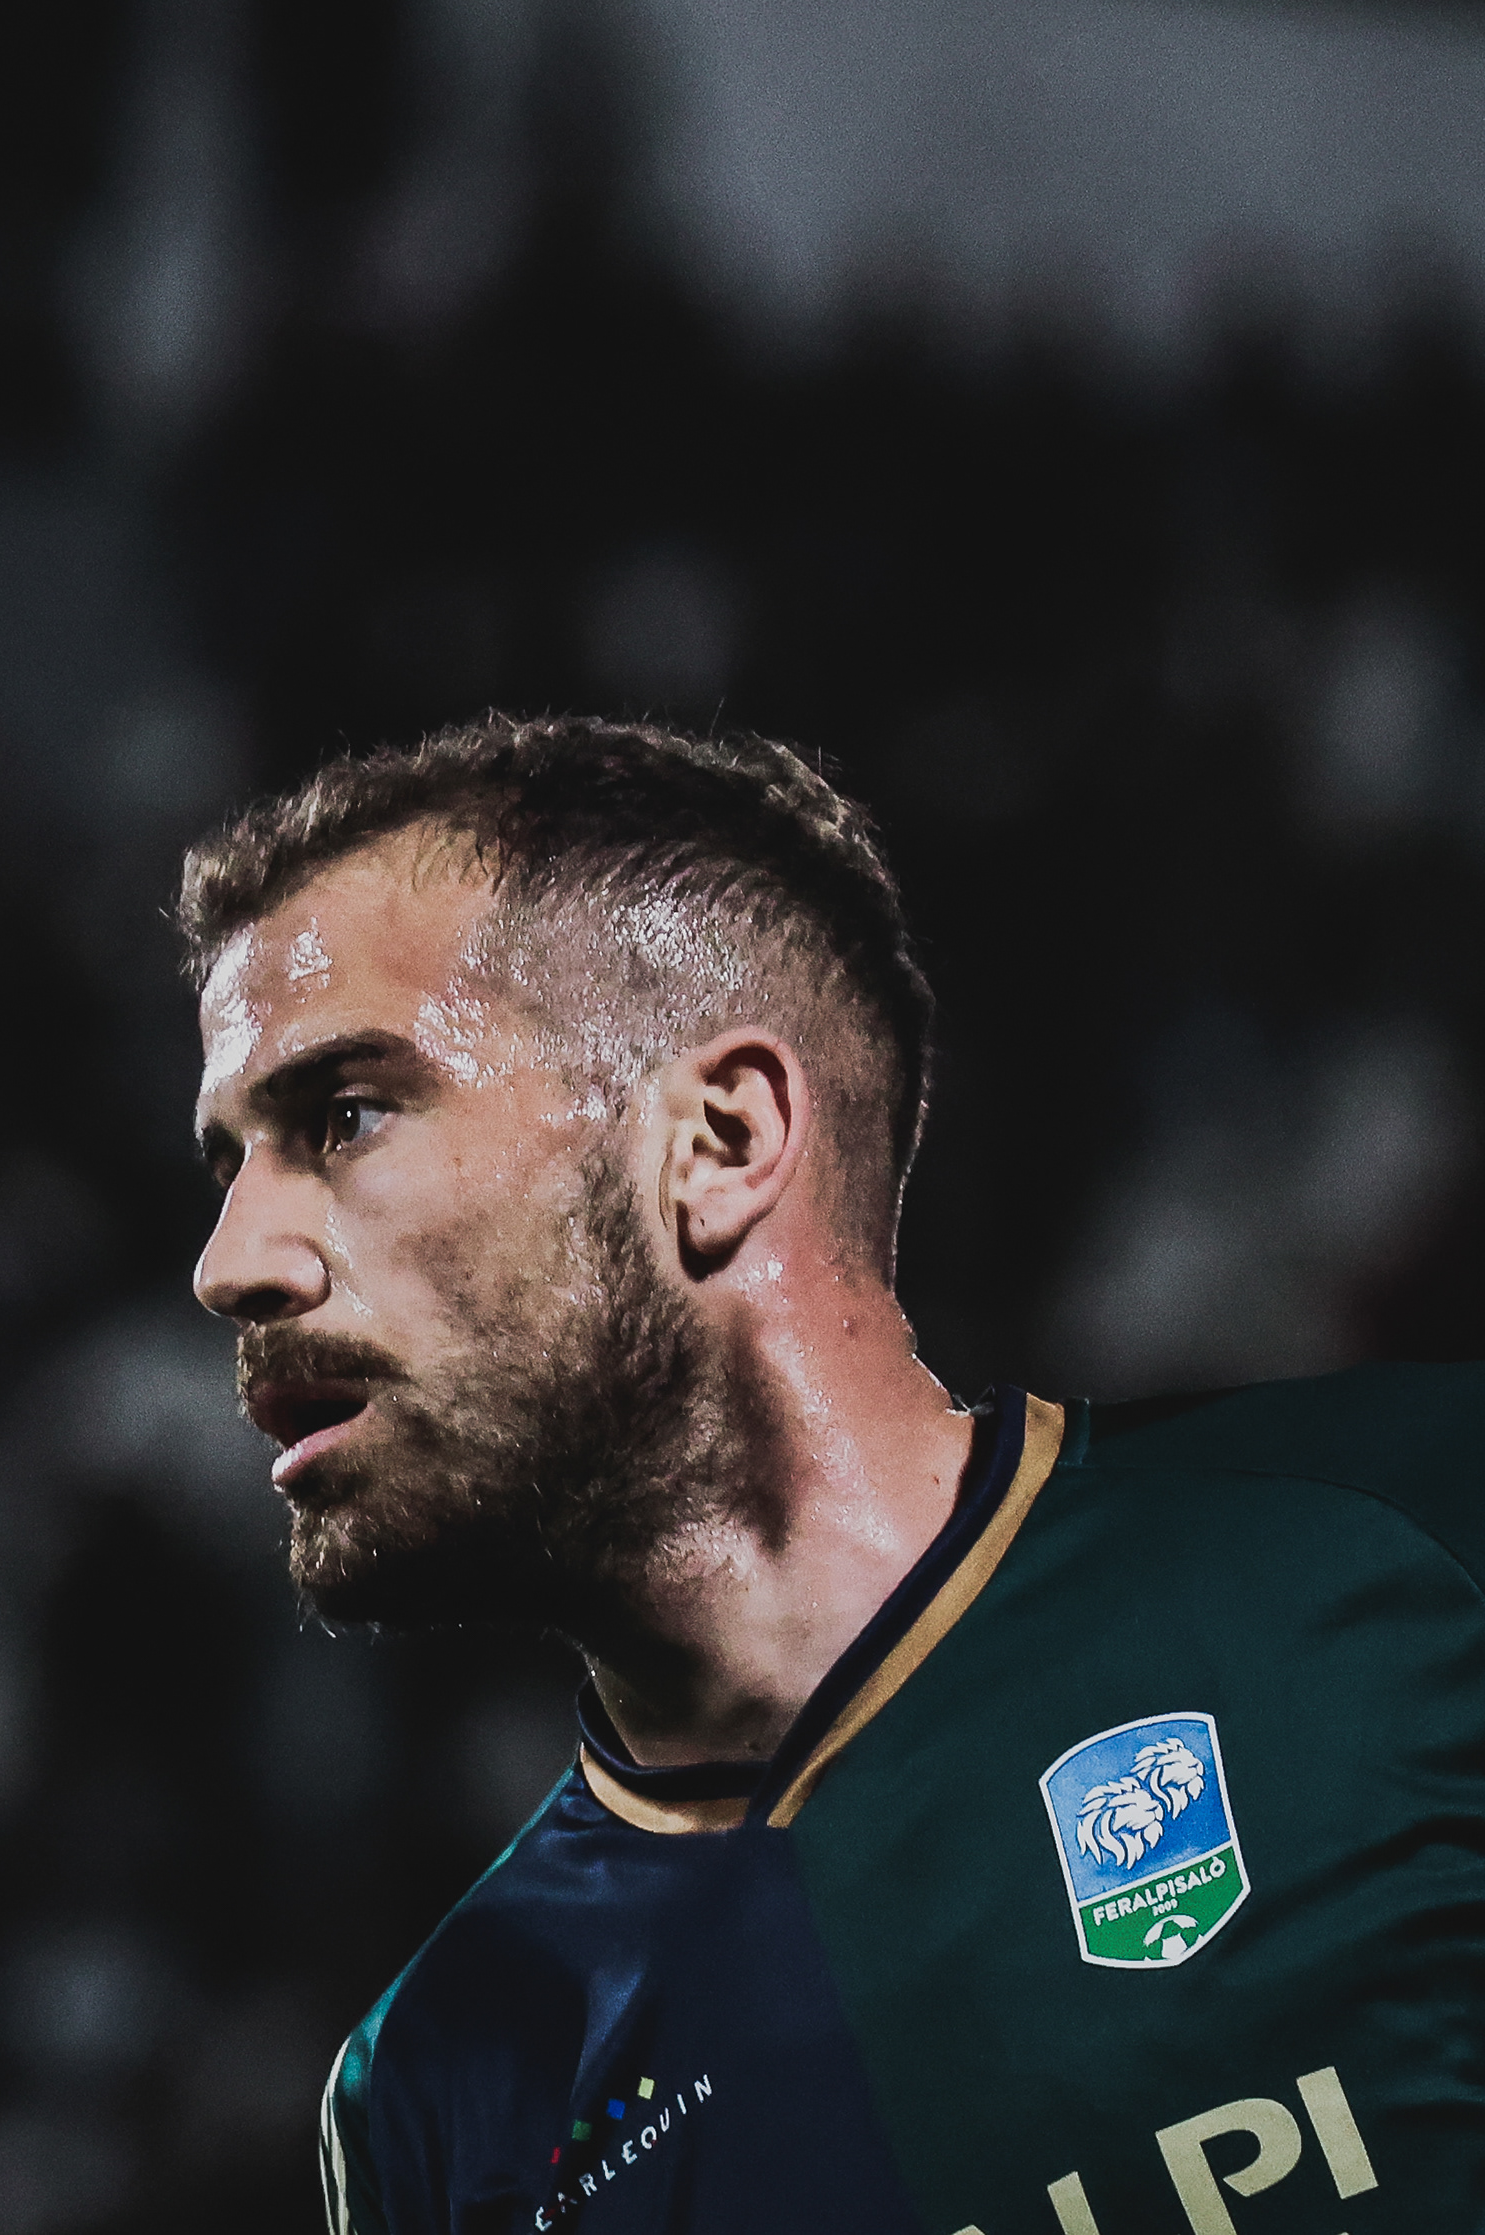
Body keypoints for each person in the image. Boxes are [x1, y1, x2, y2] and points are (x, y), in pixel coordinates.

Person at [179, 715, 1483, 2235]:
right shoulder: (440, 2096)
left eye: (344, 1116)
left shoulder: (1412, 1541)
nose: (228, 1264)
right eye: (228, 1164)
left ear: (721, 1142)